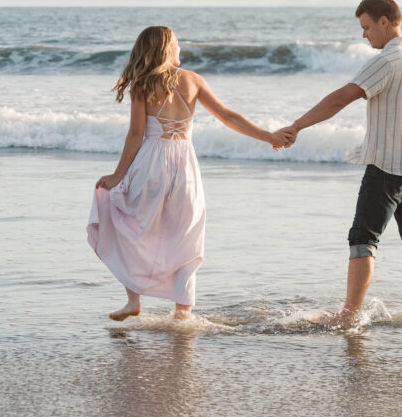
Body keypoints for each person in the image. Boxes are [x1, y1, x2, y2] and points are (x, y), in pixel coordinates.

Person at [88, 26, 291, 321]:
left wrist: (118, 175)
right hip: (185, 168)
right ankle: (183, 313)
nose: (181, 48)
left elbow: (135, 135)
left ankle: (133, 299)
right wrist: (269, 136)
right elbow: (229, 117)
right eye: (177, 43)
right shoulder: (193, 80)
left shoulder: (142, 84)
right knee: (185, 234)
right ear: (167, 50)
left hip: (150, 165)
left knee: (128, 223)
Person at [277, 0, 402, 326]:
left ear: (385, 22)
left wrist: (297, 125)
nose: (364, 35)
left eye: (367, 27)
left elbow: (342, 98)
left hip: (386, 167)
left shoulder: (387, 60)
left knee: (362, 238)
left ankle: (349, 315)